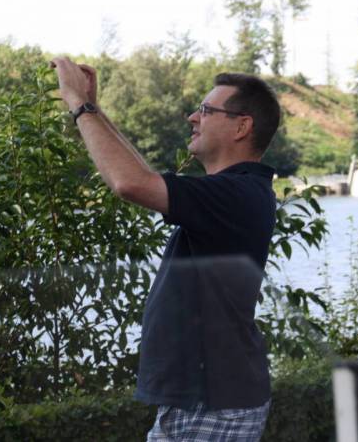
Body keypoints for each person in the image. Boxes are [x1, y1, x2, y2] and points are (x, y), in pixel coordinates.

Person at [51, 57, 279, 441]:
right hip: (203, 399)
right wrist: (95, 109)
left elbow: (129, 183)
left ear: (242, 126)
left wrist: (78, 103)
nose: (193, 117)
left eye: (206, 110)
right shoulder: (235, 192)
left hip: (214, 403)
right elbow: (143, 177)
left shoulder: (236, 194)